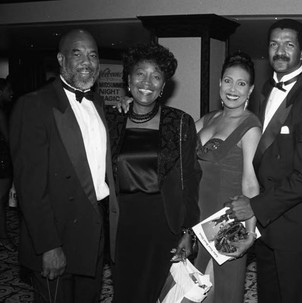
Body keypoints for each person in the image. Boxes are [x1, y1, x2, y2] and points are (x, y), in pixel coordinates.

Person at [225, 19, 302, 303]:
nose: (280, 51)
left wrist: (254, 206)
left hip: (293, 226)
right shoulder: (262, 91)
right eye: (274, 44)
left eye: (289, 44)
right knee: (269, 294)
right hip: (264, 223)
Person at [9, 29, 119, 303]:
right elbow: (30, 187)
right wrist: (48, 246)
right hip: (58, 235)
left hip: (94, 232)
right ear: (60, 59)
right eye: (77, 53)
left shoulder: (98, 102)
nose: (87, 62)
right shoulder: (34, 105)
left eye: (92, 55)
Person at [106, 42, 201, 303]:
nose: (146, 82)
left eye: (156, 76)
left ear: (163, 86)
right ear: (128, 80)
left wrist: (188, 230)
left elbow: (191, 179)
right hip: (122, 225)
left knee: (158, 293)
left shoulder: (180, 122)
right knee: (125, 293)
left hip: (163, 225)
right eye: (140, 73)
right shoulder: (111, 119)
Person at [194, 51, 261, 303]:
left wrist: (250, 234)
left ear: (250, 90)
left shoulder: (250, 125)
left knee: (221, 292)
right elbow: (174, 135)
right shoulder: (210, 118)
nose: (233, 88)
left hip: (226, 222)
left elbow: (251, 181)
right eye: (228, 80)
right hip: (197, 216)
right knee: (194, 290)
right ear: (220, 83)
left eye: (241, 83)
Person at [0, 77, 15, 252]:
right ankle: (3, 237)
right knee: (1, 201)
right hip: (2, 160)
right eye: (8, 90)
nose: (11, 93)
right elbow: (9, 139)